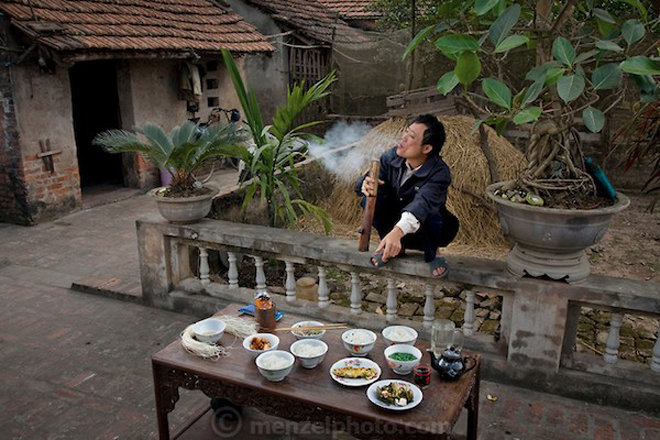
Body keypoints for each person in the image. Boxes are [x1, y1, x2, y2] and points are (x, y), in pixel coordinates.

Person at [354, 114, 459, 277]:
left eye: (411, 136)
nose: (403, 137)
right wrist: (365, 184)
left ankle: (432, 254)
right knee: (372, 197)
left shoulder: (439, 173)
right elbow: (362, 184)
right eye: (406, 131)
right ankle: (393, 247)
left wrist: (397, 232)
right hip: (396, 226)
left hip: (426, 230)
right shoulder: (390, 157)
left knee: (430, 212)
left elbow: (422, 204)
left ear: (426, 149)